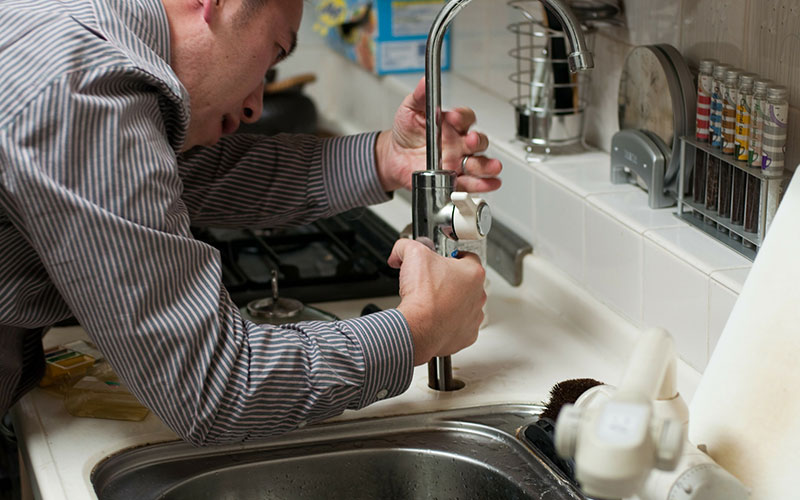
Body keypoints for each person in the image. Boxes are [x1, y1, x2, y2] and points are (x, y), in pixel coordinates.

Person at [0, 0, 502, 445]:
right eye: (275, 50)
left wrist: (386, 157)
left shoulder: (84, 34)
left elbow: (196, 176)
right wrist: (419, 329)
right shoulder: (85, 91)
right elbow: (213, 387)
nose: (254, 106)